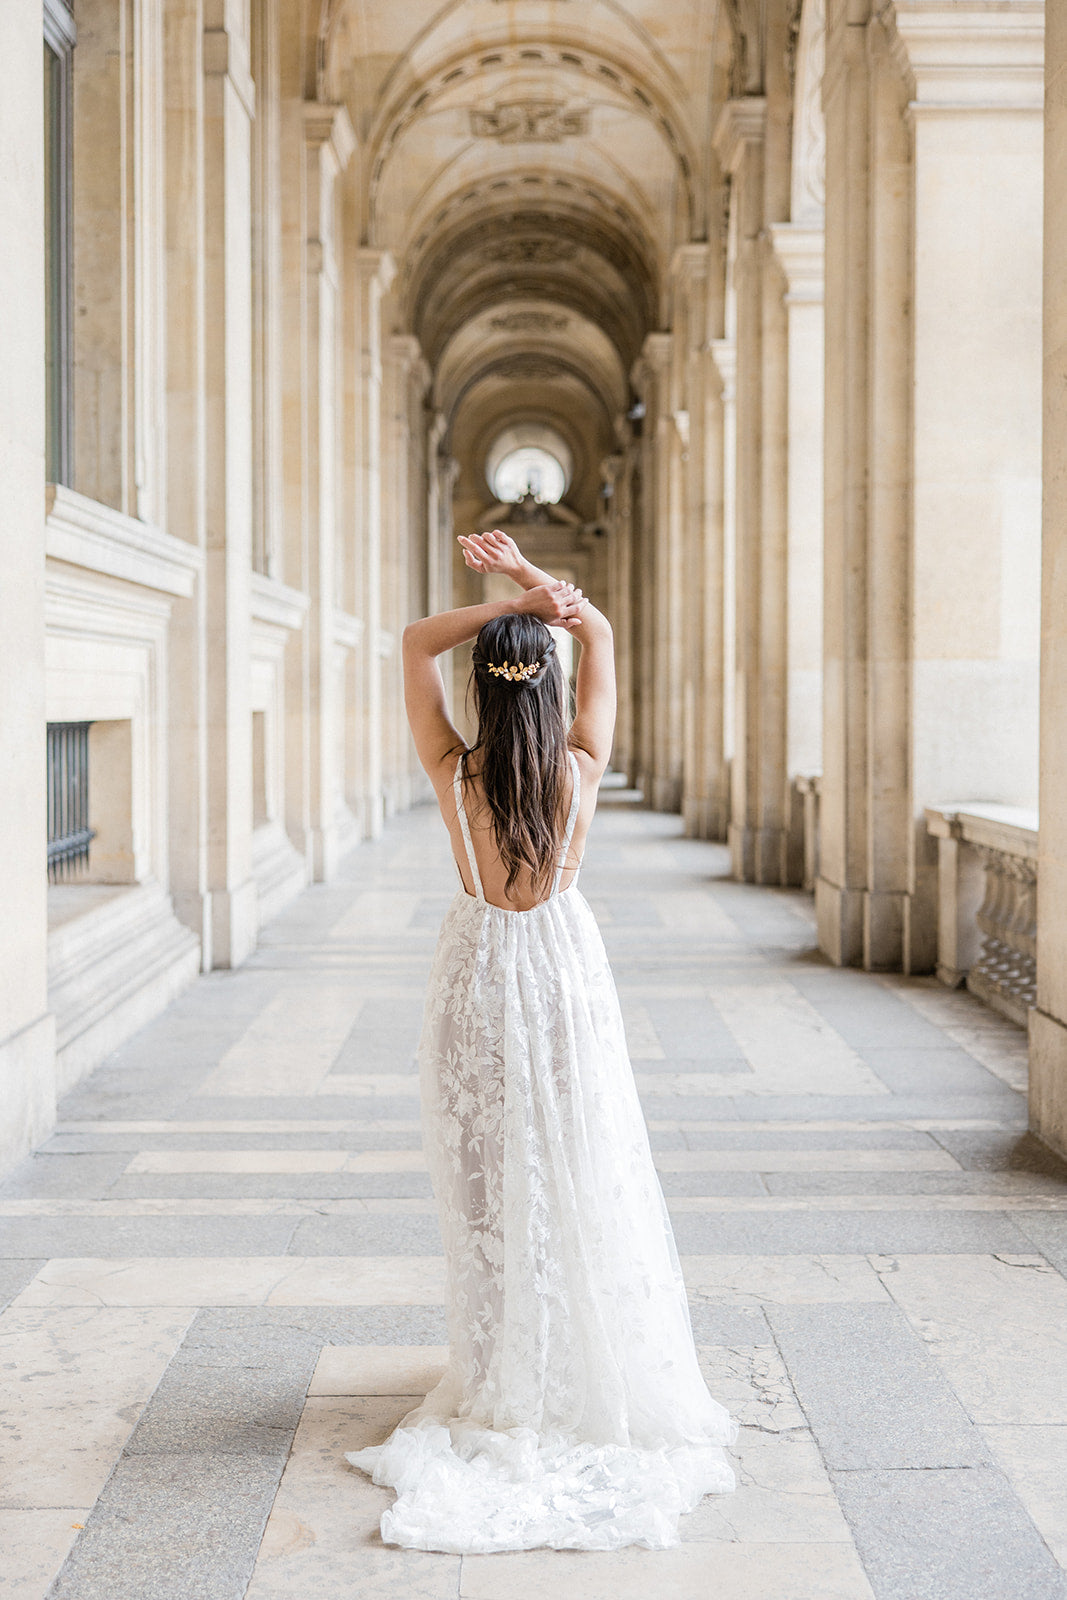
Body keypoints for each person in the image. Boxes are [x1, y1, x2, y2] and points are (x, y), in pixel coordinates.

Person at [346, 530, 737, 1553]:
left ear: (480, 688)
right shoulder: (580, 766)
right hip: (561, 972)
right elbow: (597, 629)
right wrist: (536, 589)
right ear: (552, 688)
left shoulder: (453, 770)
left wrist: (502, 610)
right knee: (574, 1161)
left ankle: (501, 1366)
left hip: (478, 971)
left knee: (485, 1180)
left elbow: (411, 640)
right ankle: (570, 1353)